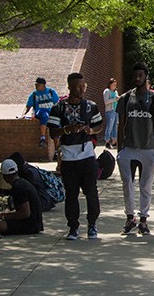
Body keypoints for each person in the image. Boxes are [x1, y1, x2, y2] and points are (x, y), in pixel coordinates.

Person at [47, 72, 103, 240]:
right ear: (69, 87)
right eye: (78, 86)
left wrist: (90, 130)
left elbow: (99, 125)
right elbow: (52, 132)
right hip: (69, 158)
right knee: (71, 194)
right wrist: (67, 129)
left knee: (91, 192)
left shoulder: (90, 106)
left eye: (83, 86)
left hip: (87, 156)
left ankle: (92, 225)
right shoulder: (59, 108)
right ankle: (73, 227)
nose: (81, 89)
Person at [117, 62, 154, 235]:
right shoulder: (126, 98)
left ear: (146, 77)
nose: (137, 78)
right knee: (127, 184)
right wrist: (120, 150)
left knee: (146, 185)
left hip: (147, 148)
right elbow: (121, 125)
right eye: (135, 76)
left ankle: (143, 219)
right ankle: (130, 217)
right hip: (129, 147)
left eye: (140, 76)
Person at [0, 159, 44, 238]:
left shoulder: (18, 188)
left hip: (30, 225)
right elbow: (13, 193)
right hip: (33, 222)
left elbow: (25, 213)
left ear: (4, 176)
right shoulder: (21, 183)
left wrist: (3, 216)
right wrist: (0, 191)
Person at [23, 77, 60, 147]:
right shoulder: (34, 94)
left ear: (43, 85)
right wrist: (23, 114)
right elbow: (28, 106)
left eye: (38, 85)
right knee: (44, 114)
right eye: (35, 85)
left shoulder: (51, 92)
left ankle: (57, 150)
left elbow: (57, 103)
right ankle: (42, 137)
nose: (36, 86)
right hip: (40, 112)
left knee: (56, 127)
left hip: (51, 113)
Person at [102, 78, 120, 148]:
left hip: (116, 110)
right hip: (110, 111)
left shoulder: (115, 92)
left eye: (115, 84)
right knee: (110, 126)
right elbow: (106, 102)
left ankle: (114, 141)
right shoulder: (107, 91)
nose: (115, 86)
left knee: (115, 127)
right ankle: (107, 141)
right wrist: (115, 99)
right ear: (110, 84)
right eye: (113, 84)